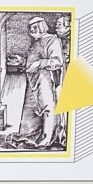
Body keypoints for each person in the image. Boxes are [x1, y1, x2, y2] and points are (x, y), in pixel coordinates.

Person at [23, 16, 64, 147]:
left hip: (47, 79)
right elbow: (31, 63)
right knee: (37, 109)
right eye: (30, 28)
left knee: (48, 108)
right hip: (35, 80)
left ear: (41, 27)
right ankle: (39, 135)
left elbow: (57, 61)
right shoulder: (36, 42)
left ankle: (47, 139)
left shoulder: (52, 40)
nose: (31, 30)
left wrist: (40, 63)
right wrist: (21, 62)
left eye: (34, 27)